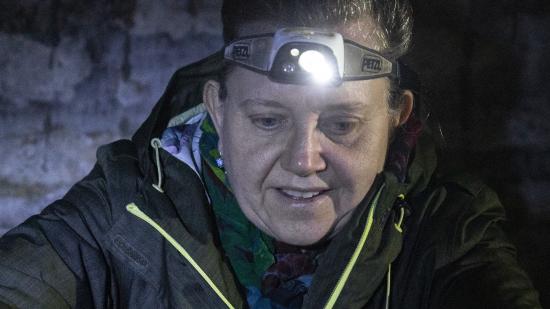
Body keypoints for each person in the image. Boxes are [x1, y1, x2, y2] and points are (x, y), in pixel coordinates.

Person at [0, 0, 543, 308]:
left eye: (342, 123)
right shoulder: (120, 214)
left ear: (395, 116)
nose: (304, 160)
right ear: (218, 108)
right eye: (268, 120)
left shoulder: (448, 230)